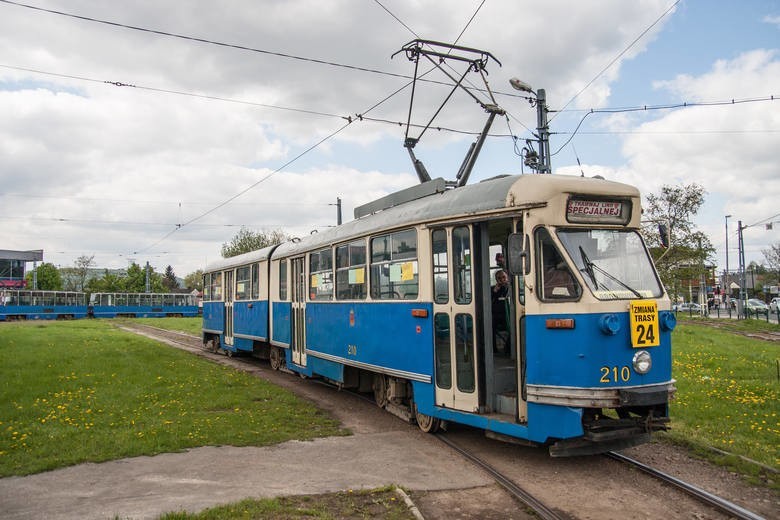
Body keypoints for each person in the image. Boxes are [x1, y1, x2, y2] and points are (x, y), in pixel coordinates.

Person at [492, 270, 510, 353]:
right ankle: (493, 349)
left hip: (509, 314)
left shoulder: (511, 287)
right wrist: (495, 290)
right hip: (496, 314)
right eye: (499, 278)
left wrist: (507, 286)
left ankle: (508, 348)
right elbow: (489, 299)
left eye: (504, 277)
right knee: (490, 327)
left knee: (514, 327)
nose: (502, 280)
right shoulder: (493, 289)